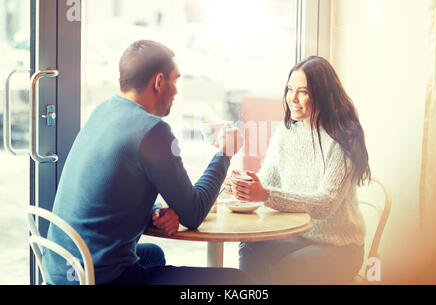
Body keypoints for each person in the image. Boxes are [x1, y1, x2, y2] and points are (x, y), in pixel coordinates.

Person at [42, 40, 251, 285]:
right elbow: (193, 213)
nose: (176, 91)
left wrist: (154, 213)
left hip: (61, 268)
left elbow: (108, 189)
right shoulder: (152, 131)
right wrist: (225, 153)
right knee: (239, 281)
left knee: (153, 254)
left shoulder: (103, 110)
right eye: (175, 80)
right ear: (159, 82)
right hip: (99, 278)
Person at [225, 56, 370, 284]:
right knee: (250, 246)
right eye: (290, 89)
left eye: (303, 91)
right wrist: (244, 185)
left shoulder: (342, 138)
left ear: (323, 94)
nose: (292, 98)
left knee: (282, 272)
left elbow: (325, 204)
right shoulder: (287, 131)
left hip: (340, 246)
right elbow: (268, 177)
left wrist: (264, 195)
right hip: (297, 235)